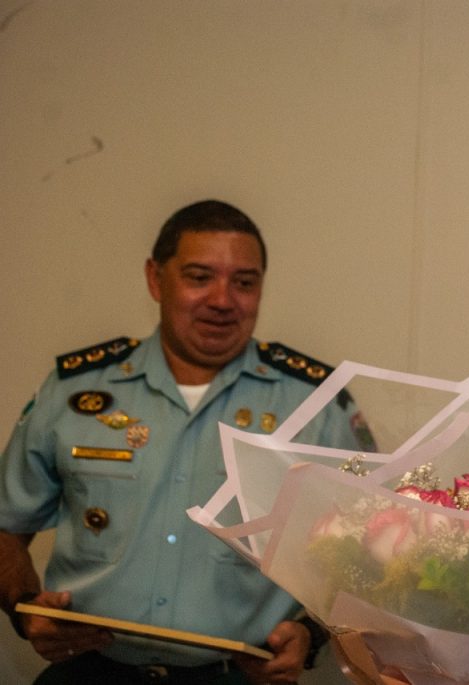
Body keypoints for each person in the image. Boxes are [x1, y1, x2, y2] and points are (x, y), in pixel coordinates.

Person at [0, 200, 376, 684]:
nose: (223, 300)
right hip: (90, 672)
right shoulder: (72, 392)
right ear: (156, 279)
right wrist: (24, 608)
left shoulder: (317, 405)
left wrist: (311, 635)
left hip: (237, 677)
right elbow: (5, 526)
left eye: (244, 283)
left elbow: (370, 554)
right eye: (200, 277)